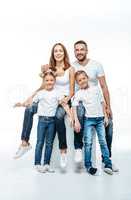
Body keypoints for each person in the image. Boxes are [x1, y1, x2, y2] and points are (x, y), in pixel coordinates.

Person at [14, 43, 75, 170]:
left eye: (60, 51)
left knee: (58, 116)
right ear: (53, 54)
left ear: (64, 53)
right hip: (48, 99)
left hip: (62, 99)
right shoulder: (50, 70)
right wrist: (30, 98)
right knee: (29, 108)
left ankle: (61, 152)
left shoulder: (70, 69)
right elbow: (43, 87)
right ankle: (25, 143)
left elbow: (72, 91)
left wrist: (65, 101)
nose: (58, 53)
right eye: (55, 51)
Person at [72, 40, 118, 172]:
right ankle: (78, 148)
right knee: (80, 110)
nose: (79, 52)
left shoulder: (96, 65)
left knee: (109, 123)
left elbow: (103, 87)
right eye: (77, 50)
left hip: (96, 102)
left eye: (82, 49)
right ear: (74, 52)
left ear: (86, 50)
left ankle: (106, 159)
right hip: (80, 100)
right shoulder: (72, 66)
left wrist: (108, 107)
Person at [72, 70, 113, 175]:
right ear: (77, 82)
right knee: (88, 143)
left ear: (88, 78)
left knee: (103, 141)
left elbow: (102, 102)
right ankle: (89, 166)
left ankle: (108, 163)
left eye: (83, 78)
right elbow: (74, 106)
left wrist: (105, 116)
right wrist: (76, 120)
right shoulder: (79, 93)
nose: (82, 81)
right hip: (88, 120)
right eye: (79, 80)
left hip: (100, 119)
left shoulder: (96, 89)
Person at [33, 71, 64, 173]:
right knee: (40, 142)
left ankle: (46, 164)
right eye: (47, 80)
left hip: (52, 121)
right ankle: (37, 164)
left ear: (54, 81)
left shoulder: (57, 93)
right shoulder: (40, 93)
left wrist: (72, 115)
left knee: (49, 143)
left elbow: (63, 104)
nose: (49, 82)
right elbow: (33, 103)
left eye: (51, 80)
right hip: (42, 121)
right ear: (43, 81)